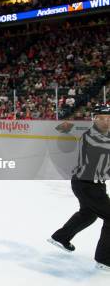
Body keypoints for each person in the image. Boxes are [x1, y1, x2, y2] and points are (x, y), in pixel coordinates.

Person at [49, 103, 110, 272]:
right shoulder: (91, 136)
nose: (106, 121)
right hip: (87, 185)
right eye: (102, 118)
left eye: (109, 118)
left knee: (88, 214)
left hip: (92, 185)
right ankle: (105, 260)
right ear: (94, 119)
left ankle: (61, 237)